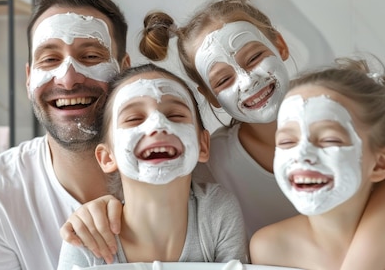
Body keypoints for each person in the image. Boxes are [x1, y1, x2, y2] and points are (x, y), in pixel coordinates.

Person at [60, 0, 385, 270]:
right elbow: (155, 191)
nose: (248, 79)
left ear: (280, 45)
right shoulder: (215, 160)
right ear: (212, 98)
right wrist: (106, 205)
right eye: (222, 79)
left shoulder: (341, 110)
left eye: (253, 57)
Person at [0, 0, 130, 270]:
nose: (68, 79)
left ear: (125, 71)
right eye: (50, 59)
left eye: (90, 56)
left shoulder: (179, 172)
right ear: (29, 77)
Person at [250, 56, 385, 269]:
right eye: (287, 142)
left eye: (329, 140)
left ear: (380, 164)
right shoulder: (270, 246)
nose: (302, 154)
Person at [56, 64, 248, 269]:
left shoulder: (217, 212)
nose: (158, 124)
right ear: (107, 158)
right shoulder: (88, 236)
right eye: (134, 119)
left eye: (175, 116)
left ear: (202, 145)